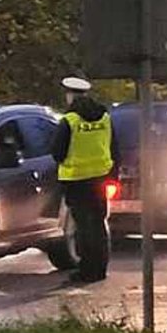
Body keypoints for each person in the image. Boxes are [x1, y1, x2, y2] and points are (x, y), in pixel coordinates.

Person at [50, 76, 117, 283]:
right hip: (100, 178)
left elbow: (57, 153)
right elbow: (114, 146)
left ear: (70, 96)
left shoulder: (69, 121)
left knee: (83, 227)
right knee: (98, 224)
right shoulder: (105, 117)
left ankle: (87, 270)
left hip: (76, 180)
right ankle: (100, 269)